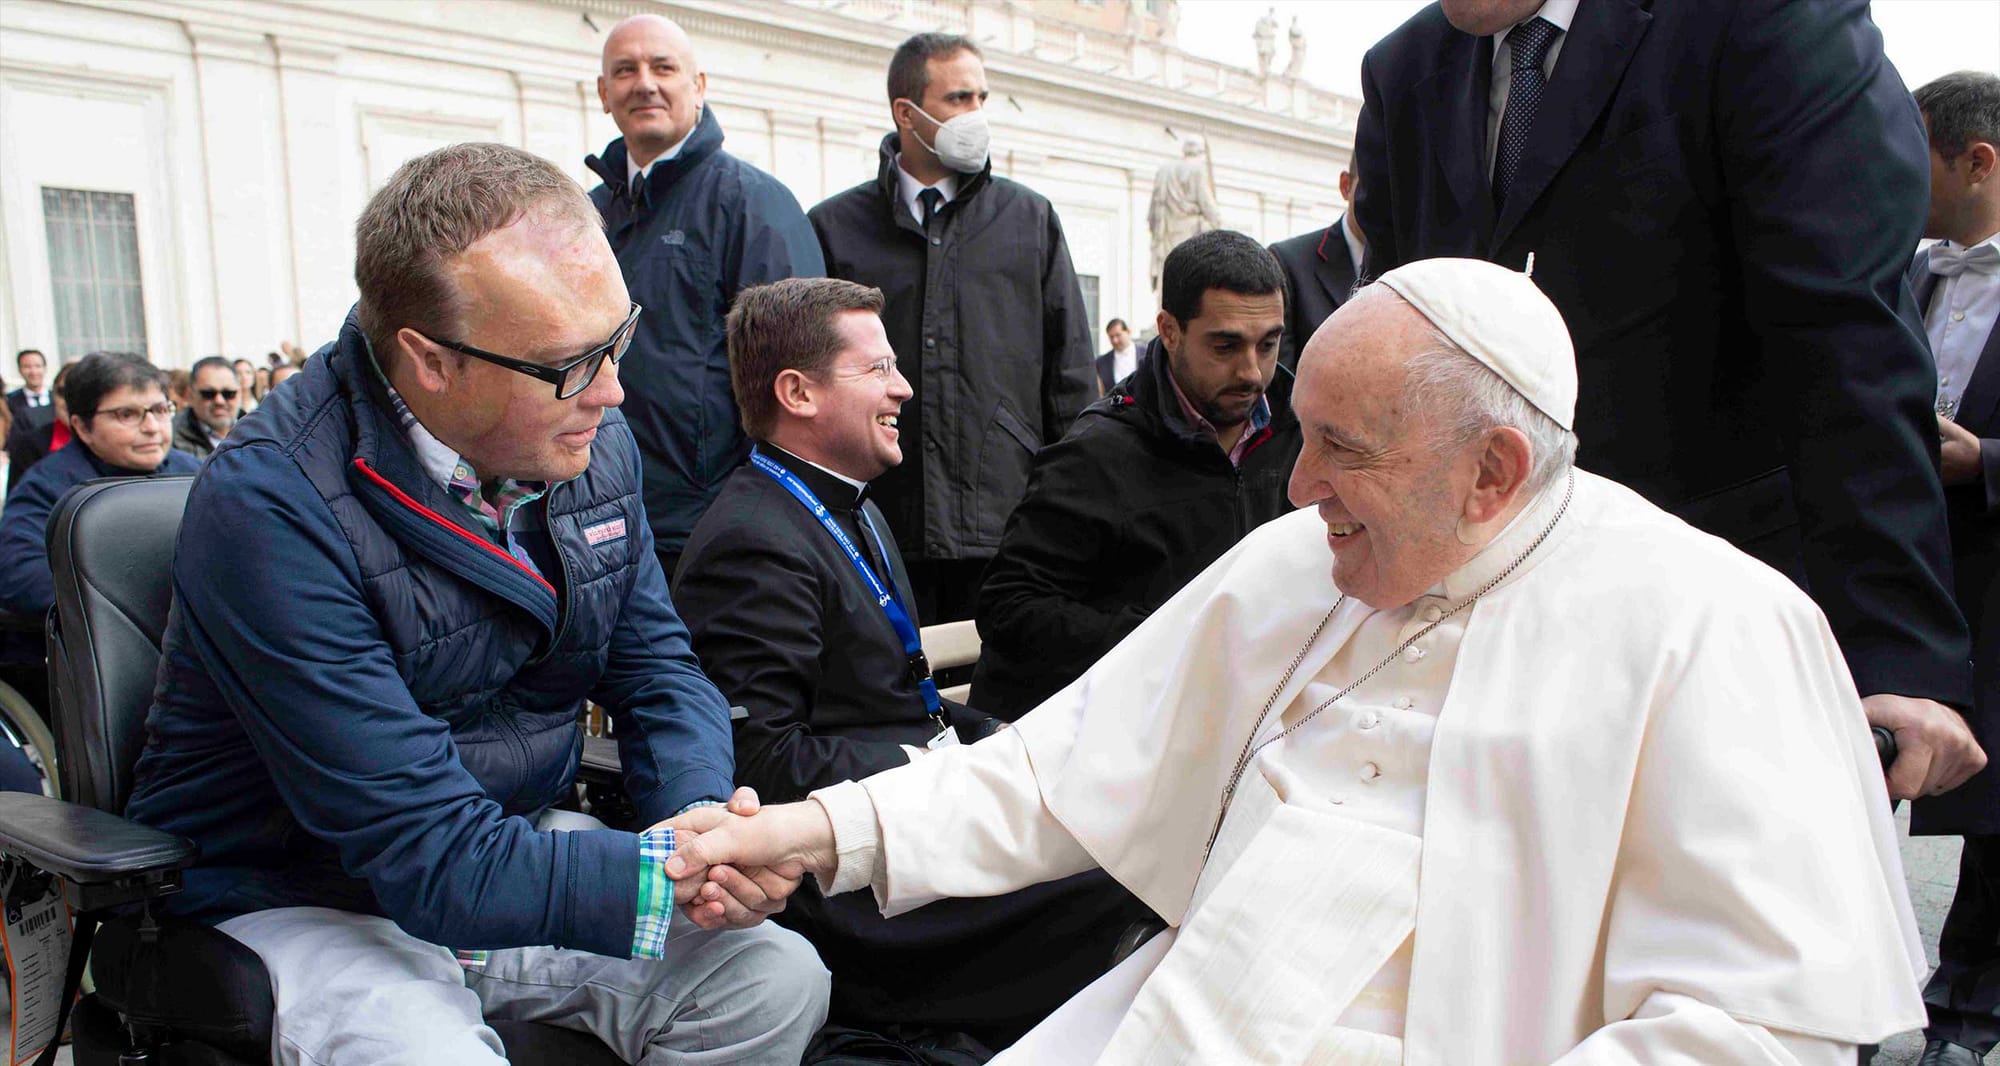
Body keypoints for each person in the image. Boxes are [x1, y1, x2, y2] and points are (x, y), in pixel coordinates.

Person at [664, 259, 1928, 1065]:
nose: (1299, 484)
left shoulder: (1714, 623)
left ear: (1491, 471)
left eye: (1342, 449)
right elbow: (1057, 768)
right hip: (1180, 1012)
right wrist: (810, 830)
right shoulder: (1294, 559)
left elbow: (1754, 1027)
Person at [120, 143, 827, 1065]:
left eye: (619, 338)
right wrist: (673, 878)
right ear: (429, 361)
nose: (615, 390)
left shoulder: (588, 438)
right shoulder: (273, 507)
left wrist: (697, 822)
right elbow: (425, 851)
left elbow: (657, 667)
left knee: (773, 979)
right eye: (572, 364)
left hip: (505, 848)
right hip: (295, 886)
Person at [1350, 0, 1982, 805]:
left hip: (1724, 624)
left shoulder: (1765, 20)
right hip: (1487, 632)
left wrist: (1896, 649)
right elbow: (1409, 339)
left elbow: (1849, 342)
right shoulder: (1405, 69)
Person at [674, 277, 1143, 1050]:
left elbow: (899, 697)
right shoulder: (753, 539)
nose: (905, 386)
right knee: (1120, 884)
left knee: (1131, 835)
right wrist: (939, 761)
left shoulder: (844, 505)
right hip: (854, 891)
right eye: (878, 369)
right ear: (798, 392)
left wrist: (997, 737)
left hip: (912, 828)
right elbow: (760, 762)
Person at [809, 32, 1095, 623]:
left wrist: (1073, 507)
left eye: (982, 97)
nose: (977, 116)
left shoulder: (1029, 220)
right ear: (906, 114)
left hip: (1005, 522)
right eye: (959, 98)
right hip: (877, 520)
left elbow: (1070, 376)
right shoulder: (836, 228)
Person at [974, 231, 1302, 719]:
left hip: (1241, 715)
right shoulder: (1098, 452)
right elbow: (1009, 607)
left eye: (1268, 344)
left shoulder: (1299, 426)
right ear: (1168, 331)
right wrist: (1170, 639)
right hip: (1102, 727)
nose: (1252, 372)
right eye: (1226, 346)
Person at [583, 14, 826, 579]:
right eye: (625, 70)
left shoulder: (754, 204)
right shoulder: (583, 216)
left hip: (709, 531)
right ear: (603, 93)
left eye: (663, 67)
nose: (644, 83)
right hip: (601, 521)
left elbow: (799, 378)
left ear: (699, 85)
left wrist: (756, 520)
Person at [1909, 70, 2000, 1066]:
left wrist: (1983, 461)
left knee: (1992, 820)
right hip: (1898, 564)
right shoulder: (1913, 271)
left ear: (1975, 162)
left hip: (1990, 573)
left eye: (1916, 155)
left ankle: (1965, 1014)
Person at [0, 352, 198, 622]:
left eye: (161, 410)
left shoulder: (195, 472)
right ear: (82, 427)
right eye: (127, 414)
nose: (152, 427)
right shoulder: (47, 487)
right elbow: (20, 576)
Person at [1268, 168, 1363, 371]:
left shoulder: (1412, 268)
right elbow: (1281, 381)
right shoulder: (1288, 262)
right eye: (1375, 186)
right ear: (1345, 185)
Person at [3, 363, 73, 495]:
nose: (70, 400)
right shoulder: (28, 445)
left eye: (79, 392)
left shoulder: (117, 441)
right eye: (63, 392)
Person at [170, 356, 238, 461]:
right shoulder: (170, 438)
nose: (219, 401)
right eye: (208, 394)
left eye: (228, 394)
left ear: (240, 393)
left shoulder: (258, 432)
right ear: (190, 395)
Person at [5, 348, 52, 428]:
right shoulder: (9, 402)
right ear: (19, 369)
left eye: (38, 366)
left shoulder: (58, 399)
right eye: (27, 367)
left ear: (45, 368)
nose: (33, 372)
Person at [1095, 318, 1140, 395]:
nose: (1114, 340)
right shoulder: (1101, 362)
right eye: (1111, 337)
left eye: (1118, 335)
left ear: (1128, 332)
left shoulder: (1147, 354)